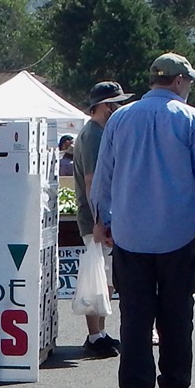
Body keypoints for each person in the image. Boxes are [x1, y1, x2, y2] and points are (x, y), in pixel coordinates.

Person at [87, 53, 195, 388]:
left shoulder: (119, 119)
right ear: (179, 81)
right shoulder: (192, 120)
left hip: (130, 233)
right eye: (188, 82)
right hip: (179, 233)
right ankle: (174, 387)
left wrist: (101, 218)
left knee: (135, 315)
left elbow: (103, 175)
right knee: (177, 314)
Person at [72, 81, 132, 358]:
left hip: (98, 216)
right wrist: (100, 220)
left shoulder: (94, 133)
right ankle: (95, 334)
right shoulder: (94, 135)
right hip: (97, 218)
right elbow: (92, 181)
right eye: (116, 104)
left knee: (104, 277)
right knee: (100, 277)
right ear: (106, 106)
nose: (118, 109)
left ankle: (100, 333)